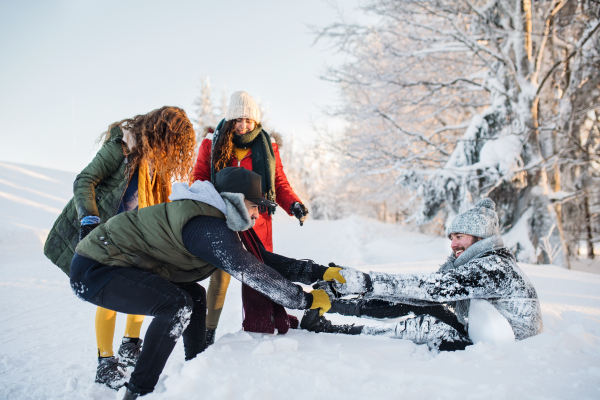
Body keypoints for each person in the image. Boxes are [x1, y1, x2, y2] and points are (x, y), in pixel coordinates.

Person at [68, 167, 342, 399]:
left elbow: (263, 260)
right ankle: (139, 392)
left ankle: (196, 372)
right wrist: (304, 300)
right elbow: (250, 271)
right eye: (254, 205)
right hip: (96, 268)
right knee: (176, 305)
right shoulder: (206, 225)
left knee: (194, 296)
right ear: (235, 200)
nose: (259, 214)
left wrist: (318, 273)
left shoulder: (218, 219)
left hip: (119, 265)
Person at [43, 106, 196, 388]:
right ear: (159, 132)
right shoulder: (122, 148)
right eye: (171, 142)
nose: (171, 151)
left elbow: (161, 208)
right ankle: (105, 362)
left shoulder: (158, 168)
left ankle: (130, 346)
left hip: (135, 240)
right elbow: (84, 181)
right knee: (110, 297)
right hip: (106, 236)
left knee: (143, 287)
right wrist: (89, 221)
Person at [301, 198, 543, 351]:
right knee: (425, 305)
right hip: (487, 335)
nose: (453, 244)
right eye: (452, 238)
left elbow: (433, 288)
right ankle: (336, 305)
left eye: (459, 237)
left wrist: (365, 281)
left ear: (479, 239)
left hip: (506, 350)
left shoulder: (492, 268)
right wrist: (357, 287)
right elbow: (426, 293)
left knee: (428, 325)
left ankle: (335, 329)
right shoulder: (484, 260)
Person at [192, 91, 309, 343]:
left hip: (257, 220)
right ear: (231, 120)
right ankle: (208, 332)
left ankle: (259, 325)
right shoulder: (211, 144)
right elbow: (199, 178)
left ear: (255, 121)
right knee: (221, 276)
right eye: (237, 120)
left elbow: (278, 182)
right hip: (222, 216)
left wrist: (294, 204)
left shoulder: (268, 147)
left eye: (248, 120)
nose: (243, 125)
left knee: (258, 274)